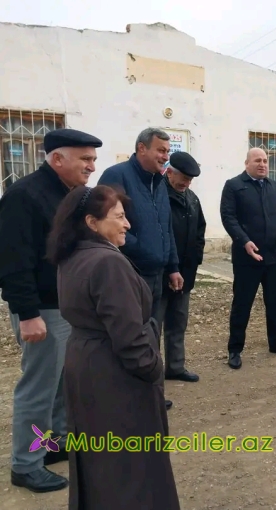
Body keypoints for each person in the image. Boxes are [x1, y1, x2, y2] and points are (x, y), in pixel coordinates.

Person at [46, 185, 180, 510]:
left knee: (99, 460)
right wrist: (153, 370)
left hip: (85, 364)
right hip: (114, 374)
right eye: (119, 217)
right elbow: (130, 341)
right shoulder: (108, 264)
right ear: (92, 223)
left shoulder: (72, 255)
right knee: (130, 469)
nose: (127, 224)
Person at [0, 128, 102, 493]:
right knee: (38, 388)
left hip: (65, 305)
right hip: (41, 309)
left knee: (62, 383)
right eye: (85, 159)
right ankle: (26, 465)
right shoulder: (24, 196)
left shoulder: (71, 195)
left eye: (93, 159)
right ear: (57, 159)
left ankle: (51, 442)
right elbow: (13, 262)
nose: (92, 166)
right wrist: (27, 314)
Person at [98, 127, 183, 410]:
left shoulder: (159, 182)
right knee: (127, 336)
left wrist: (172, 266)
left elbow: (165, 228)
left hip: (156, 275)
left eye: (167, 151)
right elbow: (107, 224)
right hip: (128, 272)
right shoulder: (117, 176)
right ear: (141, 148)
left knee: (150, 333)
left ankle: (148, 392)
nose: (165, 156)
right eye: (160, 150)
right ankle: (124, 395)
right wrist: (143, 252)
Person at [220, 147, 276, 369]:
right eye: (257, 160)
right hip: (247, 258)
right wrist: (244, 241)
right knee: (242, 304)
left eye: (265, 160)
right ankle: (235, 349)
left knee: (274, 303)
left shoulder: (275, 187)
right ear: (247, 163)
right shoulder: (234, 186)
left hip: (272, 256)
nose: (263, 164)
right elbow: (228, 218)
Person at [159, 151, 206, 383]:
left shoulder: (192, 198)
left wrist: (195, 259)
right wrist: (169, 268)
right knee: (153, 325)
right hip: (161, 273)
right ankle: (151, 373)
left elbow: (200, 231)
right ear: (169, 173)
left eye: (190, 180)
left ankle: (176, 366)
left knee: (178, 322)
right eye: (183, 178)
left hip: (185, 272)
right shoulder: (157, 196)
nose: (186, 183)